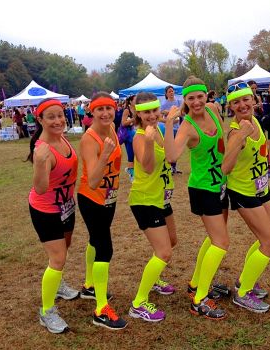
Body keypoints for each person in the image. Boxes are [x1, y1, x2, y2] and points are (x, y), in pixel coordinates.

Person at [164, 76, 229, 320]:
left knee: (215, 238)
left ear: (206, 96)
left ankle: (195, 283)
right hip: (202, 188)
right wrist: (170, 124)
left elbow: (221, 141)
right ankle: (199, 299)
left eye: (200, 96)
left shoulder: (213, 110)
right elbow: (171, 156)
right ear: (186, 100)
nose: (197, 101)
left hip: (220, 183)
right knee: (221, 242)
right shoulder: (187, 126)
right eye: (191, 98)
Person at [221, 81, 270, 313]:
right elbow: (225, 167)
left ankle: (245, 280)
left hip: (262, 188)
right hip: (244, 192)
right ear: (231, 107)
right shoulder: (237, 131)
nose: (243, 105)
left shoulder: (254, 120)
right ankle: (243, 294)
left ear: (253, 100)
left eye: (246, 99)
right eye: (236, 102)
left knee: (268, 239)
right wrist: (239, 138)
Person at [27, 99, 79, 333]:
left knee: (63, 252)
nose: (58, 120)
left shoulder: (62, 138)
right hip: (46, 209)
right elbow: (39, 188)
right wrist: (39, 162)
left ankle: (57, 285)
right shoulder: (43, 150)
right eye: (51, 117)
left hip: (66, 205)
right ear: (40, 120)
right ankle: (46, 311)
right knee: (57, 258)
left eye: (60, 115)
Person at [77, 92, 127, 330]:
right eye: (100, 109)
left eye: (109, 108)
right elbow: (94, 180)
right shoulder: (89, 139)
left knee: (96, 241)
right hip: (92, 198)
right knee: (105, 248)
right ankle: (100, 309)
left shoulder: (113, 127)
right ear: (91, 112)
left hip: (110, 197)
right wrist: (105, 154)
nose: (106, 113)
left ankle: (89, 285)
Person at [128, 92, 176, 323]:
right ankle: (138, 304)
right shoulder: (139, 136)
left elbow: (171, 156)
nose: (152, 115)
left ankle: (154, 279)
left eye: (154, 110)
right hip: (145, 200)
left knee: (171, 242)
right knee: (164, 251)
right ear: (138, 113)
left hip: (161, 198)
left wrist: (167, 124)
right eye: (146, 112)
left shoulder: (159, 129)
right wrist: (147, 141)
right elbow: (147, 168)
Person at [160, 85, 183, 174]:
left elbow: (182, 113)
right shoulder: (164, 104)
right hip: (168, 129)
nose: (171, 93)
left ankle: (174, 167)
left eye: (172, 91)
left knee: (176, 148)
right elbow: (160, 115)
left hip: (177, 128)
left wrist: (177, 115)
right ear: (166, 93)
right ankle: (168, 167)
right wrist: (168, 119)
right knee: (169, 148)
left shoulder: (178, 101)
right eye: (169, 91)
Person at [121, 95, 136, 181]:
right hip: (127, 134)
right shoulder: (127, 110)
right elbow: (123, 123)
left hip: (133, 132)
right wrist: (132, 120)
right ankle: (131, 173)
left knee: (136, 153)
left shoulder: (136, 109)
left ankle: (131, 170)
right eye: (135, 99)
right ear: (130, 101)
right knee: (131, 154)